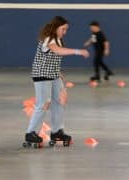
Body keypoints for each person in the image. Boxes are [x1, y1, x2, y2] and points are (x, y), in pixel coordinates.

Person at [24, 16, 89, 147]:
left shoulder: (58, 40)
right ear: (56, 27)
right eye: (63, 29)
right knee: (43, 104)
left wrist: (59, 75)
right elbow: (56, 51)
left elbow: (53, 58)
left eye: (66, 29)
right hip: (42, 75)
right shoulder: (49, 38)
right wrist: (77, 51)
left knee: (59, 102)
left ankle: (57, 131)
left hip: (54, 75)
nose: (65, 32)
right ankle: (31, 133)